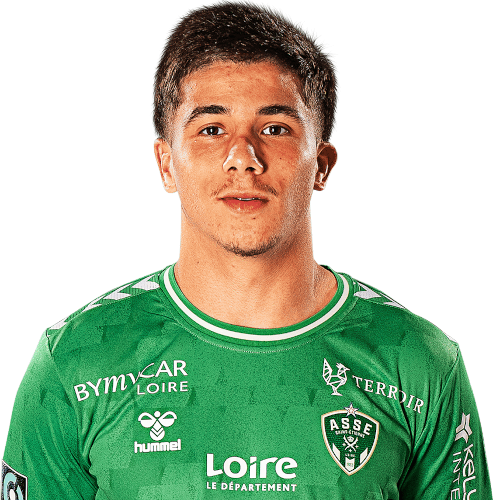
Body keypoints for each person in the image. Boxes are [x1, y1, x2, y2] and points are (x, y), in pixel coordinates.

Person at [1, 1, 492, 498]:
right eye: (211, 130)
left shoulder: (419, 362)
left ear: (321, 165)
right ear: (166, 164)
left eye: (275, 129)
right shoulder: (75, 361)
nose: (243, 158)